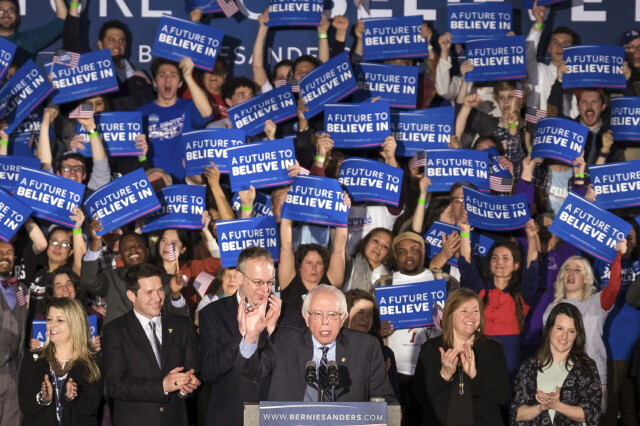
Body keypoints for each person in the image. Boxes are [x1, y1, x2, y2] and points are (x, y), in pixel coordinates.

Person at [235, 284, 397, 403]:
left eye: (333, 315)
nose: (325, 322)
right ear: (306, 317)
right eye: (318, 314)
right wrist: (251, 336)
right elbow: (251, 371)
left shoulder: (366, 347)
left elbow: (385, 399)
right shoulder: (284, 340)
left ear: (343, 318)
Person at [199, 247, 296, 426]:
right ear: (239, 278)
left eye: (269, 282)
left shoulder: (288, 314)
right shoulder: (212, 314)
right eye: (258, 282)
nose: (265, 290)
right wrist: (243, 334)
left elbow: (293, 369)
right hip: (230, 415)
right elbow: (210, 371)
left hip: (274, 414)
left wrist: (273, 332)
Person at [101, 263, 200, 426]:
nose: (158, 298)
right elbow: (115, 386)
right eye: (149, 293)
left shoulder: (182, 325)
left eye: (160, 290)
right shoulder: (115, 331)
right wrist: (162, 386)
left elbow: (194, 371)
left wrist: (187, 385)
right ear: (131, 296)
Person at [542, 240, 626, 409]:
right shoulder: (550, 309)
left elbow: (614, 287)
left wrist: (618, 256)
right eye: (567, 269)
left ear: (587, 279)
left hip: (591, 378)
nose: (571, 273)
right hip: (559, 380)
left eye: (577, 270)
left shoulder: (597, 302)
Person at [415, 288, 510, 424]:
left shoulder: (492, 349)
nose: (471, 317)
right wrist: (444, 375)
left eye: (476, 311)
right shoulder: (431, 349)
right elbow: (418, 397)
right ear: (449, 315)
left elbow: (503, 396)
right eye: (464, 311)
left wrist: (476, 376)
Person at [459, 221, 539, 381]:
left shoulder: (522, 293)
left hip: (511, 356)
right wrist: (465, 232)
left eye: (505, 258)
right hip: (480, 352)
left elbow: (532, 269)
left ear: (516, 265)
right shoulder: (479, 289)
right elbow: (466, 266)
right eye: (495, 258)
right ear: (490, 263)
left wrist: (532, 238)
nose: (499, 262)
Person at [512, 303, 603, 425]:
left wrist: (556, 405)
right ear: (549, 329)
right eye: (559, 328)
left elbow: (593, 414)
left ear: (577, 335)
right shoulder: (529, 366)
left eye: (571, 331)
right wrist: (540, 407)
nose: (564, 336)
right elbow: (517, 413)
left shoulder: (586, 367)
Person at [18, 297, 103, 425]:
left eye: (60, 320)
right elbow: (25, 406)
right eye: (49, 319)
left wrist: (73, 397)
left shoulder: (92, 362)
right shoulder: (34, 359)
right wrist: (43, 398)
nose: (52, 325)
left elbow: (91, 408)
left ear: (75, 324)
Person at [81, 225, 188, 325]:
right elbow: (88, 281)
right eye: (126, 248)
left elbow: (180, 320)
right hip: (118, 342)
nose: (133, 249)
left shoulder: (166, 281)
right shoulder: (111, 278)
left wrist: (176, 295)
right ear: (121, 256)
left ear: (147, 251)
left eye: (138, 246)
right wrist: (95, 241)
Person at [137, 57, 213, 182]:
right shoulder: (140, 113)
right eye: (162, 75)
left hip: (185, 183)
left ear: (180, 83)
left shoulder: (188, 107)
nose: (168, 79)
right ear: (155, 82)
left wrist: (188, 77)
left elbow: (206, 112)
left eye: (173, 75)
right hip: (156, 183)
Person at [344, 289, 399, 399]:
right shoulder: (330, 348)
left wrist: (379, 377)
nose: (366, 319)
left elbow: (392, 401)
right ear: (345, 314)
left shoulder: (384, 353)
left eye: (370, 315)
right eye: (360, 312)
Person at [0, 240, 29, 425]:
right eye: (0, 252)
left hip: (14, 375)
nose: (4, 256)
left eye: (9, 252)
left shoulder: (22, 290)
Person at [342, 228, 394, 293]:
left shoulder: (391, 280)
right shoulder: (347, 265)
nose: (379, 247)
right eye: (376, 241)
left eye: (385, 246)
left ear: (388, 254)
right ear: (366, 241)